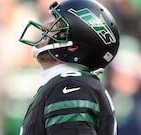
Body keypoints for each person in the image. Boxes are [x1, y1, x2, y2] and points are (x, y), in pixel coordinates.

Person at [18, 0, 120, 134]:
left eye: (57, 25)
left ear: (73, 46)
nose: (45, 27)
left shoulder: (70, 87)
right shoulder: (71, 84)